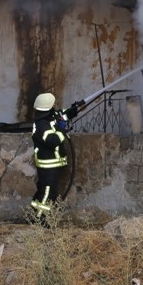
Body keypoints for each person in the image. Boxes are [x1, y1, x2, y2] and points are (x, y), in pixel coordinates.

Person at [30, 92, 85, 225]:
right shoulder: (42, 125)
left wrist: (74, 109)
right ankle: (39, 220)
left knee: (43, 191)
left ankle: (34, 214)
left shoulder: (50, 117)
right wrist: (61, 130)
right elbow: (53, 141)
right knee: (48, 192)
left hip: (51, 164)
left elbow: (62, 115)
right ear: (48, 108)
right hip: (47, 164)